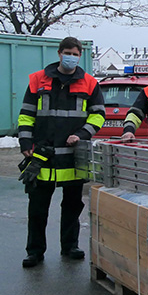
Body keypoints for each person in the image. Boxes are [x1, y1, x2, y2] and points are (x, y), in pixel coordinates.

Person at [17, 37, 106, 268]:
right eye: (67, 52)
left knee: (72, 206)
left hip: (72, 155)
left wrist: (83, 134)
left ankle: (70, 246)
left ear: (79, 55)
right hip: (41, 155)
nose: (71, 57)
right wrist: (25, 141)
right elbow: (26, 114)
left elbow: (98, 115)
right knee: (37, 208)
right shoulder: (38, 80)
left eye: (75, 53)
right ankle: (35, 251)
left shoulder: (89, 83)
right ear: (59, 53)